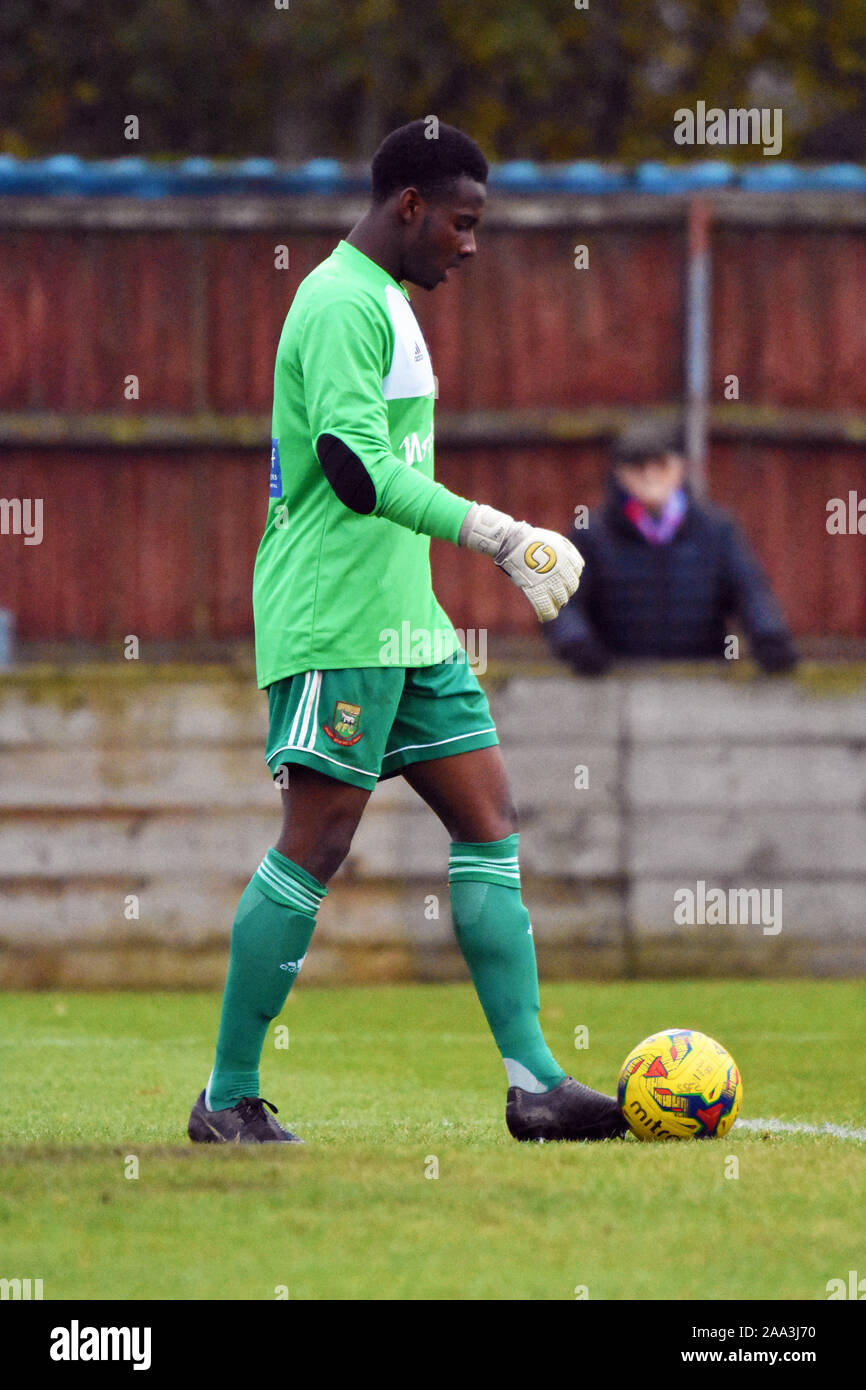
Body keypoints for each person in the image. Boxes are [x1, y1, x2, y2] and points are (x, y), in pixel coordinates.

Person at [188, 120, 626, 1146]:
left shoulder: (389, 300)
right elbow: (352, 468)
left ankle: (534, 1084)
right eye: (461, 225)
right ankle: (227, 1097)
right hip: (332, 617)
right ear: (409, 207)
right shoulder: (339, 301)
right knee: (321, 838)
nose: (470, 247)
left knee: (487, 819)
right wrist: (500, 534)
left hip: (408, 622)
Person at [544, 419, 799, 676]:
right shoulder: (591, 535)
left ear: (681, 468)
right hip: (617, 678)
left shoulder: (716, 530)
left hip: (703, 679)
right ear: (619, 473)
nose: (650, 475)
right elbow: (564, 601)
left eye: (660, 464)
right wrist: (575, 643)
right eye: (638, 465)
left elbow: (749, 590)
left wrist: (769, 637)